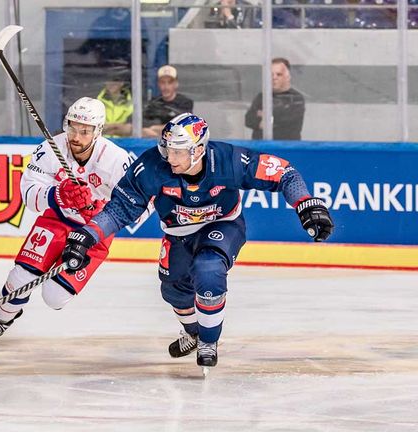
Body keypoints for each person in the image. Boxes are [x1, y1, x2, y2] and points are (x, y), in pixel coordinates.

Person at [61, 113, 333, 369]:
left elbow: (284, 173)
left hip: (223, 224)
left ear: (199, 149)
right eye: (168, 149)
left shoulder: (229, 160)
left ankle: (209, 340)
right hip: (177, 234)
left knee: (209, 268)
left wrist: (307, 204)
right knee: (173, 290)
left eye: (179, 151)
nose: (170, 158)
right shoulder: (151, 166)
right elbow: (120, 209)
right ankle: (194, 332)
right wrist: (88, 235)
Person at [0, 97, 136, 343]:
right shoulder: (50, 148)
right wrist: (58, 194)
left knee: (54, 297)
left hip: (94, 233)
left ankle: (59, 267)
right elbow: (28, 195)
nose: (76, 136)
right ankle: (0, 321)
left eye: (84, 131)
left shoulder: (116, 160)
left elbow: (138, 205)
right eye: (72, 127)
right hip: (56, 220)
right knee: (22, 276)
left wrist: (101, 209)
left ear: (98, 131)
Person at [245, 57, 305, 140]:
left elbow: (286, 122)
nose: (274, 77)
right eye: (271, 74)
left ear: (287, 76)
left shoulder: (296, 98)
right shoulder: (262, 96)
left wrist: (265, 117)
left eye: (279, 74)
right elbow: (249, 120)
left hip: (286, 150)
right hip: (261, 149)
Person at [142, 65, 194, 138]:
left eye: (169, 83)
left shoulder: (185, 103)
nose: (166, 87)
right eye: (162, 82)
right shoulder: (154, 103)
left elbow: (181, 127)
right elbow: (143, 125)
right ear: (158, 84)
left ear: (176, 84)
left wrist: (154, 128)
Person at [97, 69, 133, 137]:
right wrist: (116, 127)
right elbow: (94, 125)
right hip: (102, 140)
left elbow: (131, 128)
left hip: (126, 141)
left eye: (115, 81)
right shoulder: (97, 100)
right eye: (109, 81)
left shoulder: (132, 102)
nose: (112, 84)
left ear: (121, 83)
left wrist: (109, 127)